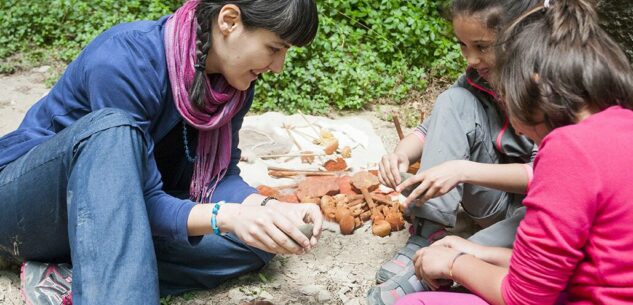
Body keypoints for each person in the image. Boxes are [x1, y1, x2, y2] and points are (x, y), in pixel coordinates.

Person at [0, 0, 323, 304]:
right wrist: (229, 216)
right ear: (229, 21)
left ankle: (66, 277)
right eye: (274, 48)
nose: (278, 66)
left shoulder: (229, 88)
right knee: (113, 127)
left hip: (115, 219)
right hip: (28, 210)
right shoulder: (126, 56)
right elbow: (127, 195)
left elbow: (218, 177)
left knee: (256, 242)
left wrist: (266, 209)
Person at [396, 0, 633, 304]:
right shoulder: (619, 123)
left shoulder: (567, 150)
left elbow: (523, 296)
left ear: (533, 87)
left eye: (506, 97)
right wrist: (479, 254)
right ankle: (428, 235)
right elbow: (575, 267)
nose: (519, 130)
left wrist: (457, 265)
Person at [369, 1, 539, 304]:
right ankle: (427, 232)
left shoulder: (550, 84)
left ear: (519, 35)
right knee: (453, 100)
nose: (471, 58)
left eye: (482, 46)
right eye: (463, 45)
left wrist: (463, 169)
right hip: (494, 199)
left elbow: (548, 175)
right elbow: (432, 127)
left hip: (534, 215)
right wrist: (401, 155)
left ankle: (449, 265)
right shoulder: (479, 76)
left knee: (522, 229)